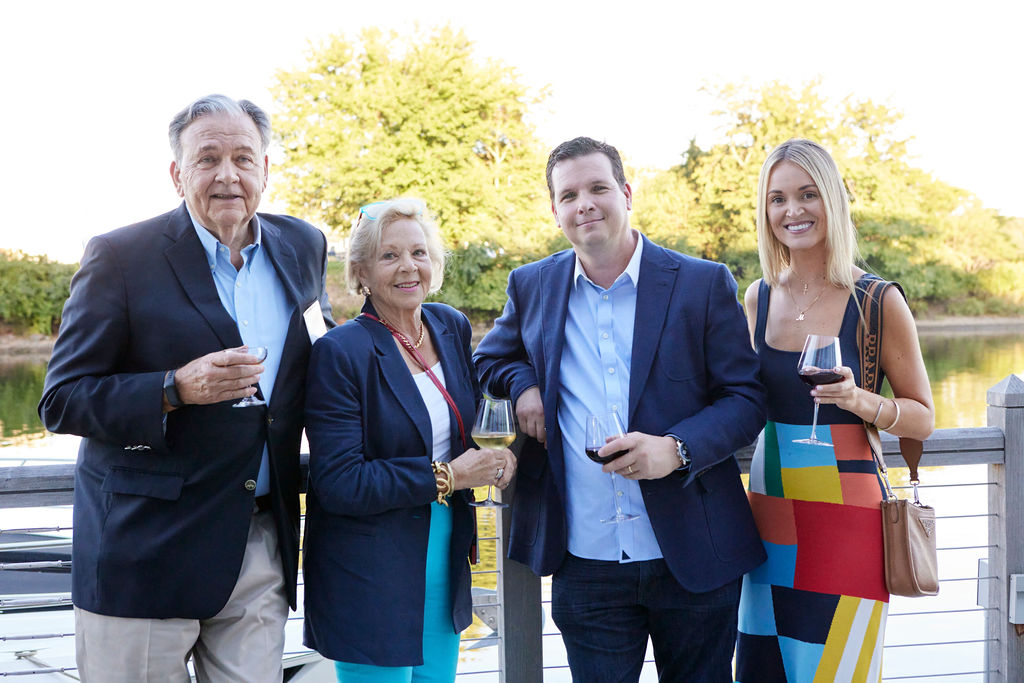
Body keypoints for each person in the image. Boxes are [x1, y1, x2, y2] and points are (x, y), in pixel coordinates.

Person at [38, 94, 334, 682]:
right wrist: (173, 389)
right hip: (145, 552)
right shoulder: (120, 256)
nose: (228, 175)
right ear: (177, 174)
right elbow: (62, 399)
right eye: (207, 158)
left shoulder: (303, 245)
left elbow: (320, 358)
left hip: (259, 543)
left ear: (265, 169)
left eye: (243, 158)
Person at [473, 137, 767, 682]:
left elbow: (747, 400)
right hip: (585, 561)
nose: (584, 203)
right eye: (569, 195)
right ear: (555, 210)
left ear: (626, 193)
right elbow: (487, 359)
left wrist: (676, 449)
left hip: (695, 552)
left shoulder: (702, 283)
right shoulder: (532, 284)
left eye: (597, 188)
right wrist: (523, 387)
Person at [735, 138, 935, 681]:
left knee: (837, 669)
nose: (792, 211)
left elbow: (922, 417)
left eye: (808, 194)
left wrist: (857, 400)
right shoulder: (757, 297)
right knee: (764, 666)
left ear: (833, 200)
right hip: (769, 509)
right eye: (777, 199)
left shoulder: (877, 300)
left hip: (848, 517)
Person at [301, 198, 517, 682]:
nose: (408, 267)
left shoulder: (449, 325)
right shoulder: (340, 351)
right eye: (389, 255)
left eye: (419, 253)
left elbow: (472, 413)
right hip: (368, 569)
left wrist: (499, 454)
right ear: (361, 271)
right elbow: (339, 482)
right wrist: (448, 476)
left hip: (446, 554)